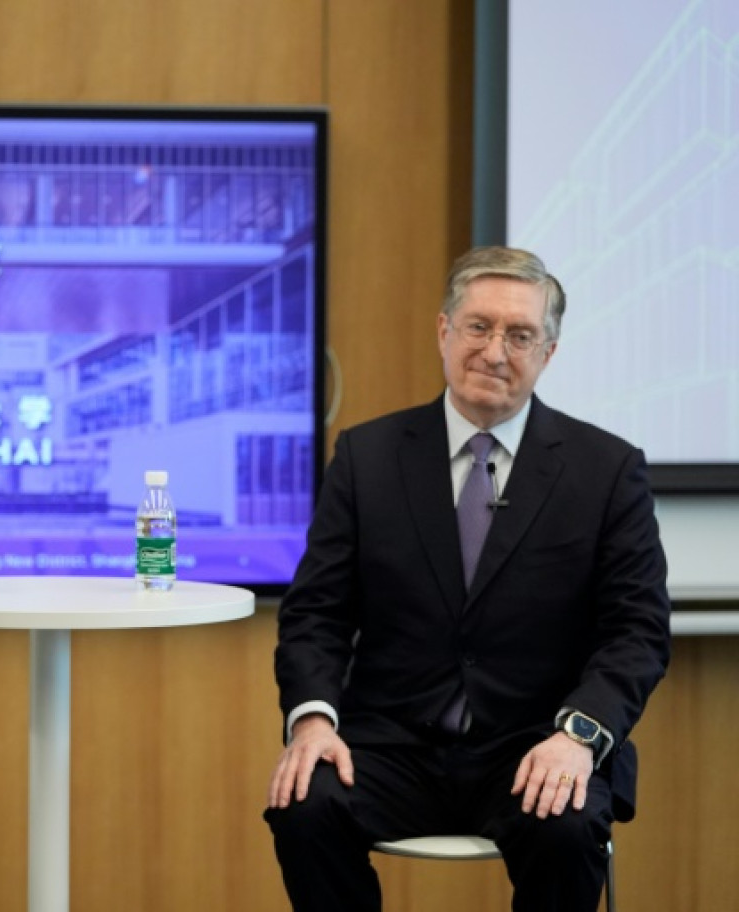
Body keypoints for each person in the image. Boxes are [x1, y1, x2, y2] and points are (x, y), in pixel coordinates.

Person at [263, 246, 671, 911]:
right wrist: (312, 720)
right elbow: (317, 614)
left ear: (549, 354)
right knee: (304, 805)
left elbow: (638, 630)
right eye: (479, 326)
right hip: (390, 742)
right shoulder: (367, 458)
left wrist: (580, 735)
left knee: (568, 829)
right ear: (444, 332)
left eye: (521, 335)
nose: (495, 350)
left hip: (537, 741)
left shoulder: (607, 471)